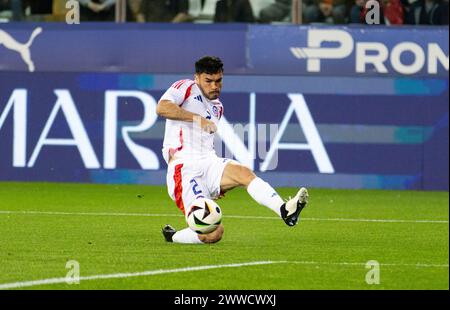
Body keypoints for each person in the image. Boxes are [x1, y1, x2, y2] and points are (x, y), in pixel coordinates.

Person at [157, 56, 309, 244]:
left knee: (244, 173)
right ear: (197, 78)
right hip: (184, 168)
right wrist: (197, 119)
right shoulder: (186, 87)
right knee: (213, 233)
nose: (215, 86)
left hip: (208, 160)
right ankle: (173, 237)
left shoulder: (217, 107)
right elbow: (162, 108)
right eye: (209, 81)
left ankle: (284, 210)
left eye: (218, 81)